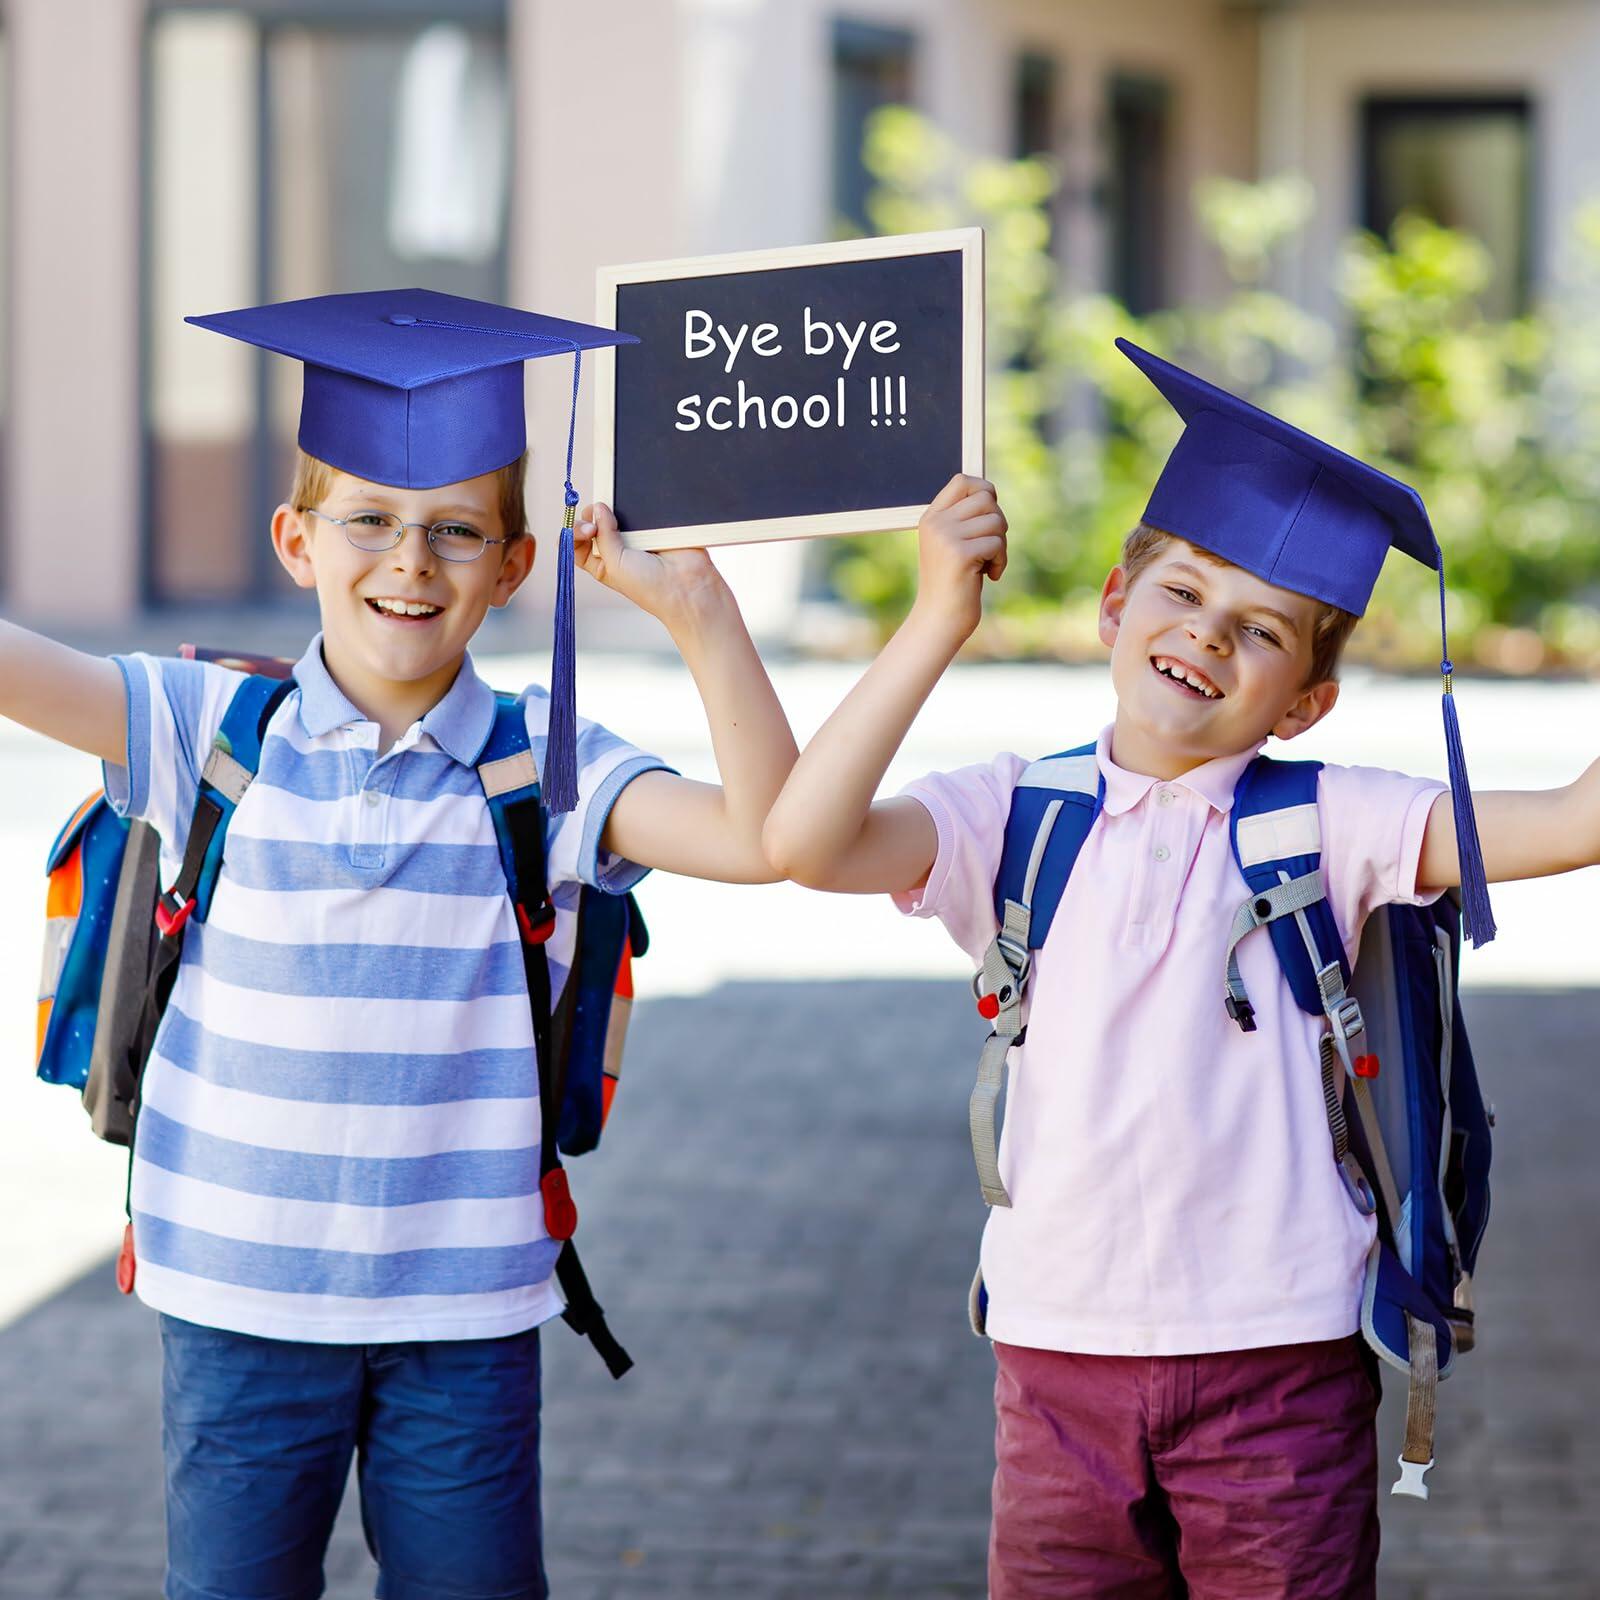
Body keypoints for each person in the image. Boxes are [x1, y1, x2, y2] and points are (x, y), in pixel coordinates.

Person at [763, 338, 1600, 1598]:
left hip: (1280, 1371)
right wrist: (938, 615)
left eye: (1258, 630)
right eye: (1180, 595)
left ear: (1303, 702)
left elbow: (1576, 818)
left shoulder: (1332, 821)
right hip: (1054, 1368)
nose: (1203, 637)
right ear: (1113, 603)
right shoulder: (1013, 814)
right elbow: (803, 839)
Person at [2, 288, 796, 1600]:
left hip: (467, 1317)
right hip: (238, 1302)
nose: (410, 562)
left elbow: (769, 837)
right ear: (297, 540)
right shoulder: (203, 727)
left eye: (454, 532)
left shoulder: (550, 766)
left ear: (516, 563)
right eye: (367, 520)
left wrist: (700, 613)